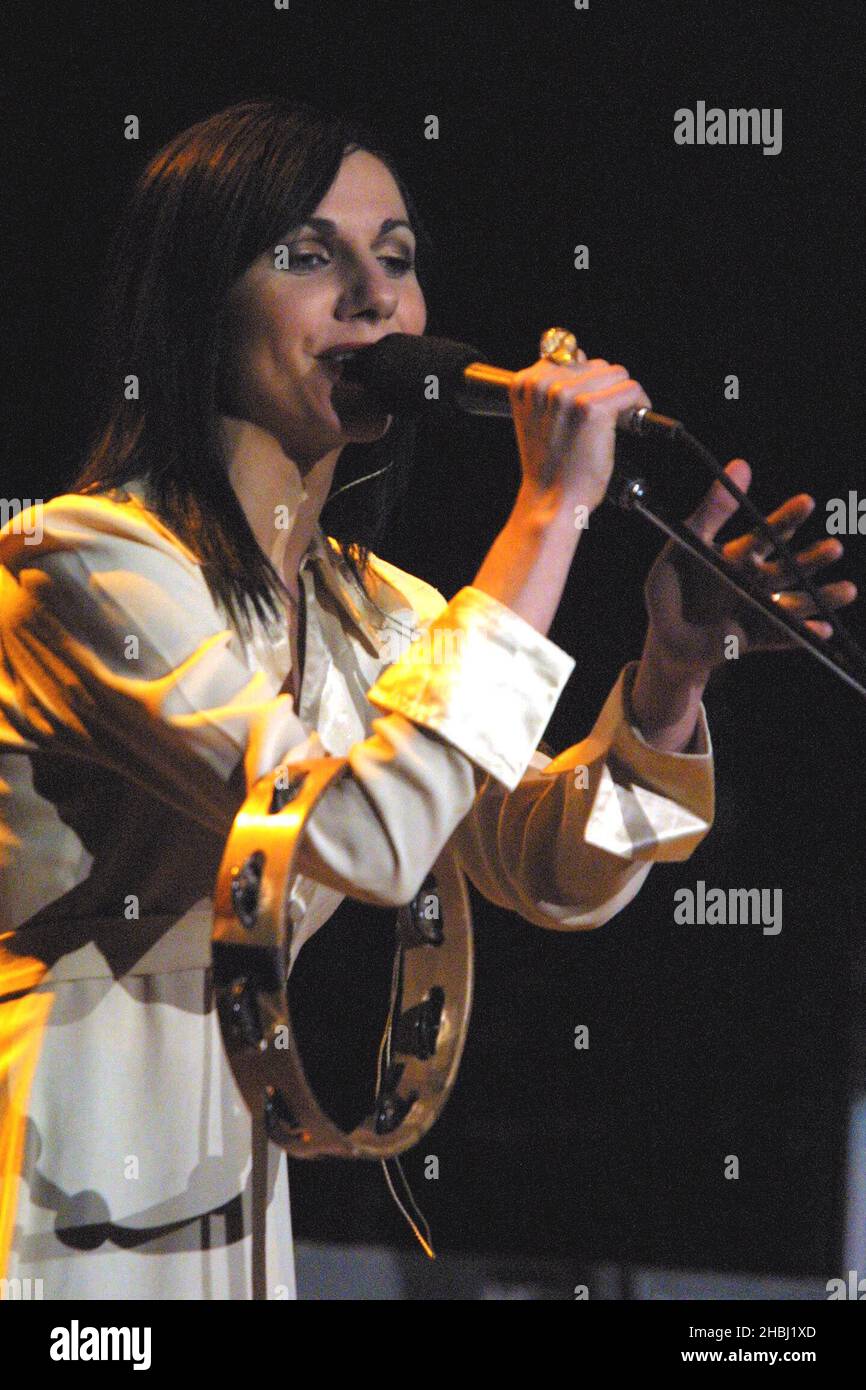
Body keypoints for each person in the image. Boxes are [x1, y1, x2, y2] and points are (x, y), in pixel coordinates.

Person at [0, 99, 854, 1301]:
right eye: (308, 256)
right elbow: (353, 830)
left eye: (394, 262)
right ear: (194, 300)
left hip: (233, 1206)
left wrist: (670, 676)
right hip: (50, 1197)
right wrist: (546, 513)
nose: (373, 300)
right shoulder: (84, 562)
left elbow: (553, 870)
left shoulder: (373, 609)